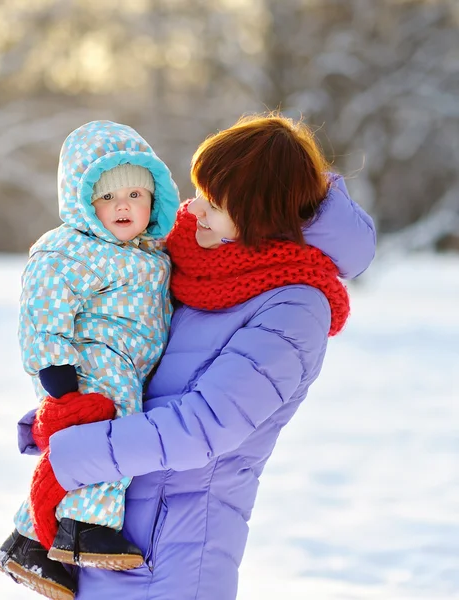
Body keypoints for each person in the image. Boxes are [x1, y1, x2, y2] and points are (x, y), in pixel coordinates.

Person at [18, 113, 376, 600]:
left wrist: (77, 452)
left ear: (258, 215)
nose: (195, 209)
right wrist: (71, 407)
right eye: (200, 191)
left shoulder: (295, 306)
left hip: (173, 555)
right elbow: (135, 365)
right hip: (103, 527)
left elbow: (205, 425)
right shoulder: (193, 267)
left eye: (216, 203)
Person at [0, 120, 180, 599]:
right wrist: (55, 372)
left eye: (136, 195)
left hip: (130, 367)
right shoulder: (71, 250)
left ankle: (30, 544)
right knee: (111, 436)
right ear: (82, 203)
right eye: (107, 197)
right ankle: (83, 526)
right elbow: (42, 309)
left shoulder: (154, 254)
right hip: (88, 364)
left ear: (154, 200)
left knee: (78, 452)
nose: (123, 206)